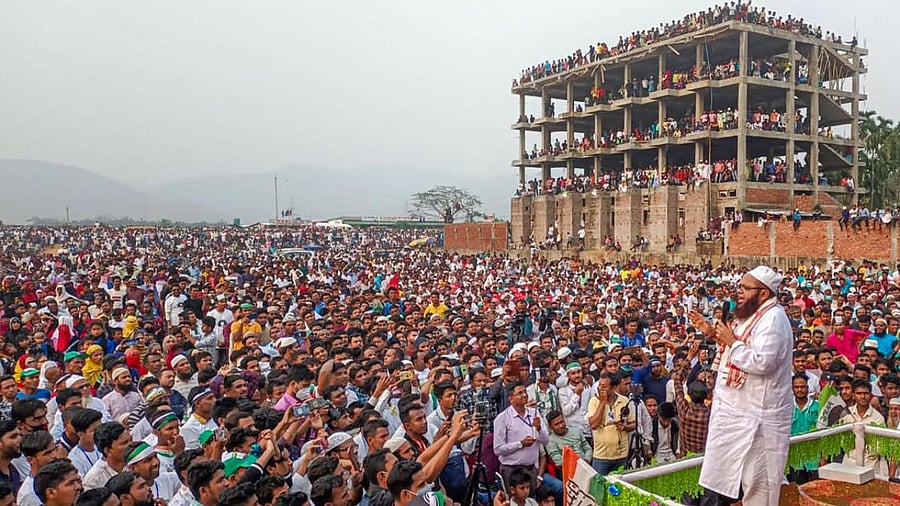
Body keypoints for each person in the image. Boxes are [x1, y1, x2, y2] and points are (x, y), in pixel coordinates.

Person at [692, 265, 793, 506]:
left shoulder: (774, 320)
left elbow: (763, 362)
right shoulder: (753, 316)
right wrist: (714, 335)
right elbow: (736, 346)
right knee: (746, 481)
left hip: (761, 417)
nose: (739, 292)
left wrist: (731, 342)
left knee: (761, 484)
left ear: (764, 293)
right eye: (740, 287)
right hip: (743, 412)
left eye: (746, 288)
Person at [493, 382, 549, 490]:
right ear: (511, 398)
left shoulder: (534, 413)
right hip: (512, 470)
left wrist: (539, 429)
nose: (524, 395)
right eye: (519, 393)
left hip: (531, 469)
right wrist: (520, 444)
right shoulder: (502, 418)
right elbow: (498, 449)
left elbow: (546, 441)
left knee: (531, 500)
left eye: (525, 392)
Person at [587, 371, 635, 475]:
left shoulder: (625, 401)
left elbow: (633, 424)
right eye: (599, 384)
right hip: (601, 456)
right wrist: (602, 402)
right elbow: (593, 425)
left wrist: (625, 427)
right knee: (600, 487)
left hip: (621, 455)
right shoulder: (594, 401)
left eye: (604, 386)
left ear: (613, 388)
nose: (600, 388)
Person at [17, 430, 60, 506]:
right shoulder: (29, 493)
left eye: (55, 449)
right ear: (31, 460)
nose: (54, 455)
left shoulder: (57, 476)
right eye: (48, 453)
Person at [83, 422, 131, 490]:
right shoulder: (93, 480)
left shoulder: (137, 462)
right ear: (107, 450)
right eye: (124, 443)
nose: (130, 445)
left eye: (131, 440)